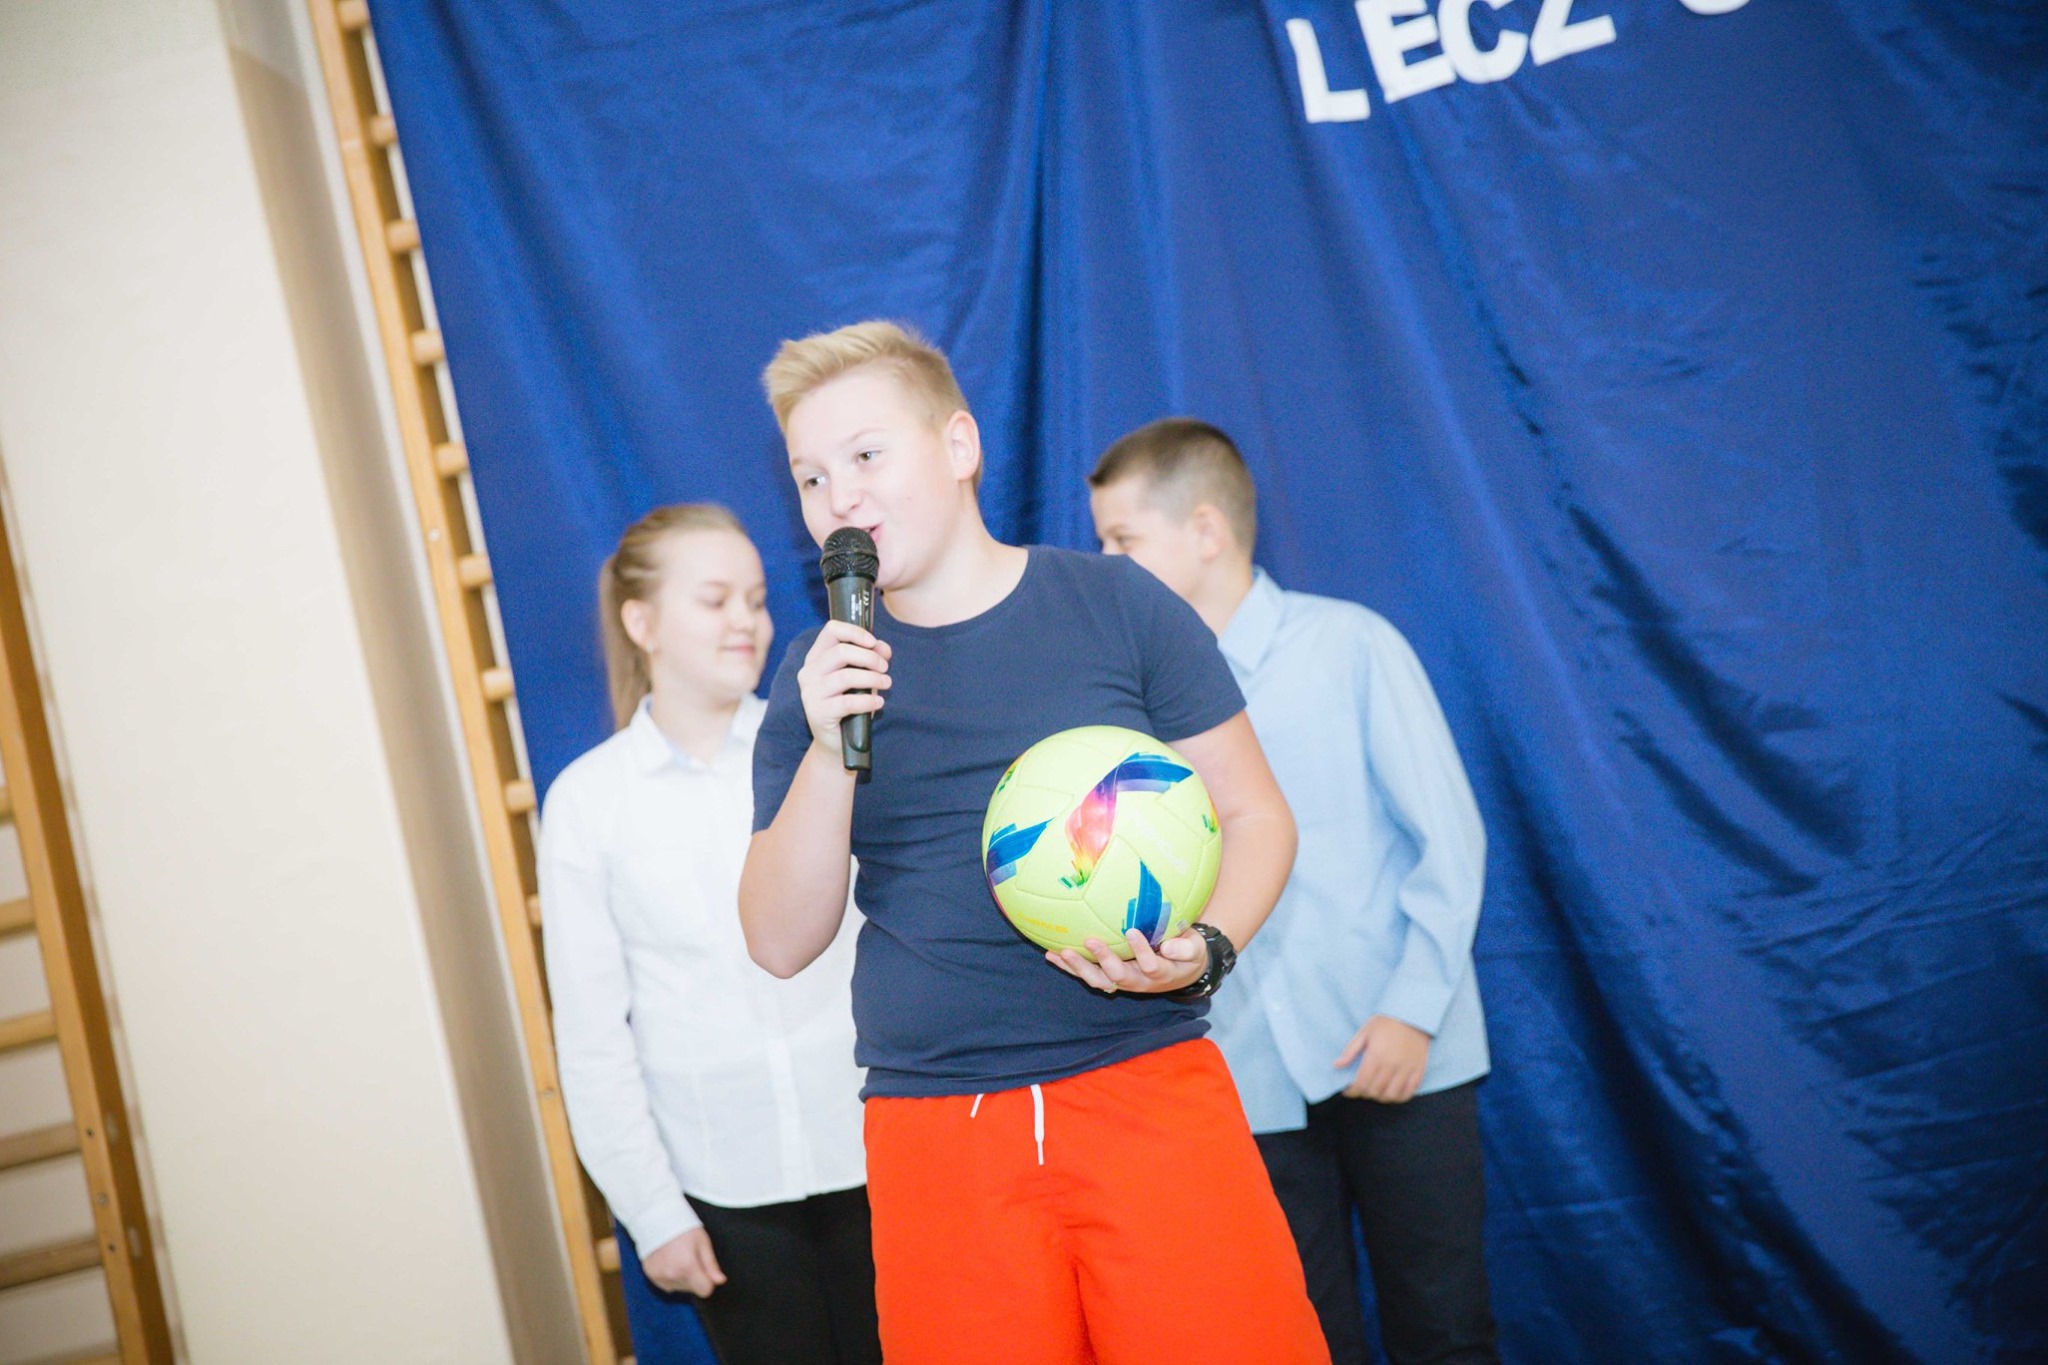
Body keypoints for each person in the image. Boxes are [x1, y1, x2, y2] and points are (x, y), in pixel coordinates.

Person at [738, 321, 1328, 1365]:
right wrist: (830, 750)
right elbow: (778, 940)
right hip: (938, 1127)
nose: (841, 498)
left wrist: (1208, 950)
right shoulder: (815, 676)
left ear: (959, 445)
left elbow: (1256, 815)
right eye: (812, 477)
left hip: (1145, 1086)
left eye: (867, 455)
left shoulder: (1115, 604)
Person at [1087, 418, 1497, 1365]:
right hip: (1248, 1079)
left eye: (1122, 539)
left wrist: (1413, 1012)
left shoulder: (1350, 645)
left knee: (1443, 1326)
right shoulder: (1136, 697)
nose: (1104, 564)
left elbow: (1450, 841)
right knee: (1297, 1335)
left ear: (1205, 529)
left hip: (1400, 1053)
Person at [538, 503, 881, 1365]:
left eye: (757, 599)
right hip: (726, 1193)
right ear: (642, 622)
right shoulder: (588, 802)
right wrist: (652, 1210)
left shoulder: (821, 753)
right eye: (715, 599)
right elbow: (592, 1034)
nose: (746, 621)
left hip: (876, 1156)